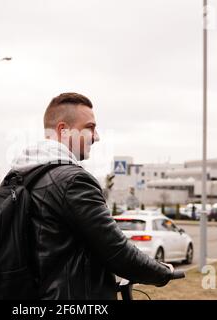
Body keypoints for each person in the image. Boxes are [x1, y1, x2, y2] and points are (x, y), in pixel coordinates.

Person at [9, 92, 174, 299]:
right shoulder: (73, 182)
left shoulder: (21, 176)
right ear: (63, 131)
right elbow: (117, 250)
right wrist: (163, 272)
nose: (97, 137)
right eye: (90, 128)